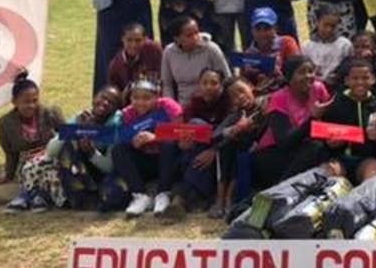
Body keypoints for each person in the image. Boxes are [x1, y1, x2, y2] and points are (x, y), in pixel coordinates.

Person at [15, 86, 124, 212]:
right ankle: (33, 194)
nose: (105, 103)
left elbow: (109, 167)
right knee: (35, 165)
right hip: (72, 168)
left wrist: (92, 152)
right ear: (95, 98)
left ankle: (37, 194)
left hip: (95, 175)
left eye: (111, 102)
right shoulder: (82, 117)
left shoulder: (115, 127)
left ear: (116, 109)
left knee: (60, 153)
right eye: (103, 97)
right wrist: (77, 128)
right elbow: (51, 151)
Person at [252, 59, 332, 189]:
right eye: (301, 72)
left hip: (306, 148)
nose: (308, 76)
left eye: (310, 71)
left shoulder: (318, 88)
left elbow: (328, 121)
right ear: (289, 77)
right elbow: (284, 142)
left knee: (323, 150)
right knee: (315, 147)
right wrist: (312, 119)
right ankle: (278, 190)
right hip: (273, 153)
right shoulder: (279, 98)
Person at [162, 68, 231, 219]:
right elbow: (185, 133)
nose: (208, 87)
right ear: (199, 85)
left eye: (214, 83)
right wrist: (183, 143)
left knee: (196, 125)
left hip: (220, 151)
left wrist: (214, 150)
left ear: (221, 86)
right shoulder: (194, 104)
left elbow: (230, 133)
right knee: (191, 137)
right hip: (196, 153)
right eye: (204, 83)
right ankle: (193, 196)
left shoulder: (228, 103)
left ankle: (181, 197)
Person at [111, 78, 183, 217]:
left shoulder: (168, 106)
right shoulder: (127, 114)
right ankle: (140, 195)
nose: (140, 102)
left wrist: (156, 137)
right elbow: (123, 137)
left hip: (168, 160)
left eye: (146, 98)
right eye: (136, 98)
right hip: (145, 160)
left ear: (156, 97)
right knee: (118, 149)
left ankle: (163, 194)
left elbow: (180, 131)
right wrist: (133, 143)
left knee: (168, 144)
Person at [0, 72, 64, 207]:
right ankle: (36, 197)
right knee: (30, 169)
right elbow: (10, 153)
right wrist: (8, 175)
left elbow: (65, 137)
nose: (31, 106)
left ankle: (29, 196)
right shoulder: (5, 123)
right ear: (14, 102)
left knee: (51, 171)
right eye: (26, 102)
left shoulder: (51, 113)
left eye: (35, 100)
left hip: (51, 157)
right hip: (26, 164)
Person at [320, 58, 376, 178]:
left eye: (365, 78)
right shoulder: (335, 104)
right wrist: (331, 143)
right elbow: (324, 138)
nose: (360, 82)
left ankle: (367, 190)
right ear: (347, 80)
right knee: (327, 171)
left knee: (374, 170)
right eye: (355, 78)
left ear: (373, 79)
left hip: (366, 160)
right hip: (339, 159)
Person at [211, 77, 268, 217]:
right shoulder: (236, 115)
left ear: (251, 86)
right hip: (239, 154)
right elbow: (216, 135)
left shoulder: (265, 103)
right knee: (226, 145)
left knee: (239, 147)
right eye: (234, 97)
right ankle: (222, 198)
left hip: (261, 152)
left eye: (242, 91)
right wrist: (235, 128)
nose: (240, 97)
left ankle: (229, 197)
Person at [160, 16, 231, 106]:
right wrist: (171, 106)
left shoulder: (211, 49)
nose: (195, 38)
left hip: (210, 103)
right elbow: (167, 84)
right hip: (183, 104)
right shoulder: (169, 52)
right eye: (189, 35)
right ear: (177, 38)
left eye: (196, 33)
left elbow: (227, 79)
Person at [243, 7, 302, 91]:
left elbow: (298, 73)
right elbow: (244, 84)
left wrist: (276, 73)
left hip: (286, 91)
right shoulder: (249, 54)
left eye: (267, 28)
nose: (262, 34)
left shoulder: (287, 43)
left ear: (275, 28)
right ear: (252, 31)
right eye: (258, 29)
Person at [106, 23, 163, 101]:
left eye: (138, 40)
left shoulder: (155, 51)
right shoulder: (116, 65)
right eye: (129, 40)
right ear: (122, 39)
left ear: (145, 39)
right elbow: (115, 94)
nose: (133, 45)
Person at [302, 6, 355, 89]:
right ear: (317, 22)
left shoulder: (345, 45)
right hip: (313, 87)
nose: (328, 29)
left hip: (337, 86)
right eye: (325, 25)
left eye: (333, 26)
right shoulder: (307, 46)